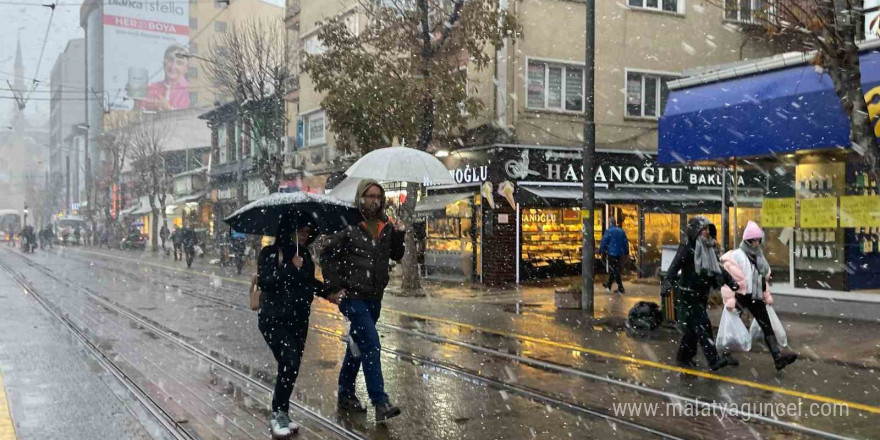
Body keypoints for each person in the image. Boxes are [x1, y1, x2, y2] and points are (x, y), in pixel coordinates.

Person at [321, 179, 406, 423]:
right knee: (371, 344)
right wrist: (335, 288)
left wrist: (399, 234)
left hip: (374, 297)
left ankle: (345, 393)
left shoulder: (385, 225)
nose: (374, 200)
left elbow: (396, 255)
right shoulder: (348, 224)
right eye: (370, 196)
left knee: (357, 347)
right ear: (361, 197)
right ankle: (380, 401)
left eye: (378, 196)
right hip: (353, 297)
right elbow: (327, 254)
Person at [258, 220, 343, 437]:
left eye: (307, 232)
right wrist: (288, 267)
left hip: (298, 320)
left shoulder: (304, 257)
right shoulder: (270, 252)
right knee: (289, 361)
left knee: (291, 367)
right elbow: (265, 282)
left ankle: (282, 412)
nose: (305, 236)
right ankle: (278, 413)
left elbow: (309, 283)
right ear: (289, 231)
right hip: (274, 319)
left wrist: (329, 294)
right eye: (301, 231)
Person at [720, 221, 798, 371]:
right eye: (752, 240)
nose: (756, 243)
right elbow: (728, 278)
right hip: (740, 296)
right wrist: (730, 299)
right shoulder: (737, 255)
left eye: (758, 240)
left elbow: (762, 279)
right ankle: (725, 353)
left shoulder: (760, 256)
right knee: (731, 324)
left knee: (766, 326)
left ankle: (777, 358)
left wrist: (766, 294)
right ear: (746, 240)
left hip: (755, 296)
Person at [664, 217, 734, 371]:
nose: (706, 232)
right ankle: (713, 359)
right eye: (703, 229)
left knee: (692, 329)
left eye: (708, 229)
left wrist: (730, 281)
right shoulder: (687, 248)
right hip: (688, 294)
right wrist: (667, 282)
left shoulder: (709, 249)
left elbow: (718, 268)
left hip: (702, 293)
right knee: (703, 325)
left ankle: (683, 358)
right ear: (695, 232)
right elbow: (675, 265)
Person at [133, 44, 190, 111]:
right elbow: (138, 116)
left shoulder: (191, 92)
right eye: (170, 60)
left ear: (187, 68)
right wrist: (137, 103)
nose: (173, 66)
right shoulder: (150, 88)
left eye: (179, 63)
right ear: (163, 62)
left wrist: (169, 109)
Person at [599, 217, 629, 294]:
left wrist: (601, 250)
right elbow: (625, 242)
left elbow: (604, 241)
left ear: (609, 223)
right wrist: (626, 252)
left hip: (612, 253)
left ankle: (620, 287)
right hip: (620, 253)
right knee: (615, 269)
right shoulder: (621, 231)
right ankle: (609, 285)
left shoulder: (609, 231)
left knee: (614, 269)